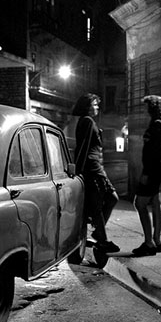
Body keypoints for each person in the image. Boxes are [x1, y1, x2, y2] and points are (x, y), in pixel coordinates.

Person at [72, 93, 120, 255]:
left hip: (97, 168)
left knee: (109, 199)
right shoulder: (87, 121)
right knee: (100, 203)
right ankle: (102, 239)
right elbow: (83, 148)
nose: (97, 107)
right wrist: (78, 170)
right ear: (87, 107)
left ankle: (99, 233)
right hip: (92, 169)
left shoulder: (87, 121)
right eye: (94, 104)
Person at [132, 95, 161, 257]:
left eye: (146, 106)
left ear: (152, 108)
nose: (143, 109)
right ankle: (157, 240)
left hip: (153, 169)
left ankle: (149, 243)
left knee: (140, 204)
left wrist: (146, 173)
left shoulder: (156, 125)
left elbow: (153, 152)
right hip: (157, 168)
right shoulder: (160, 123)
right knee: (156, 202)